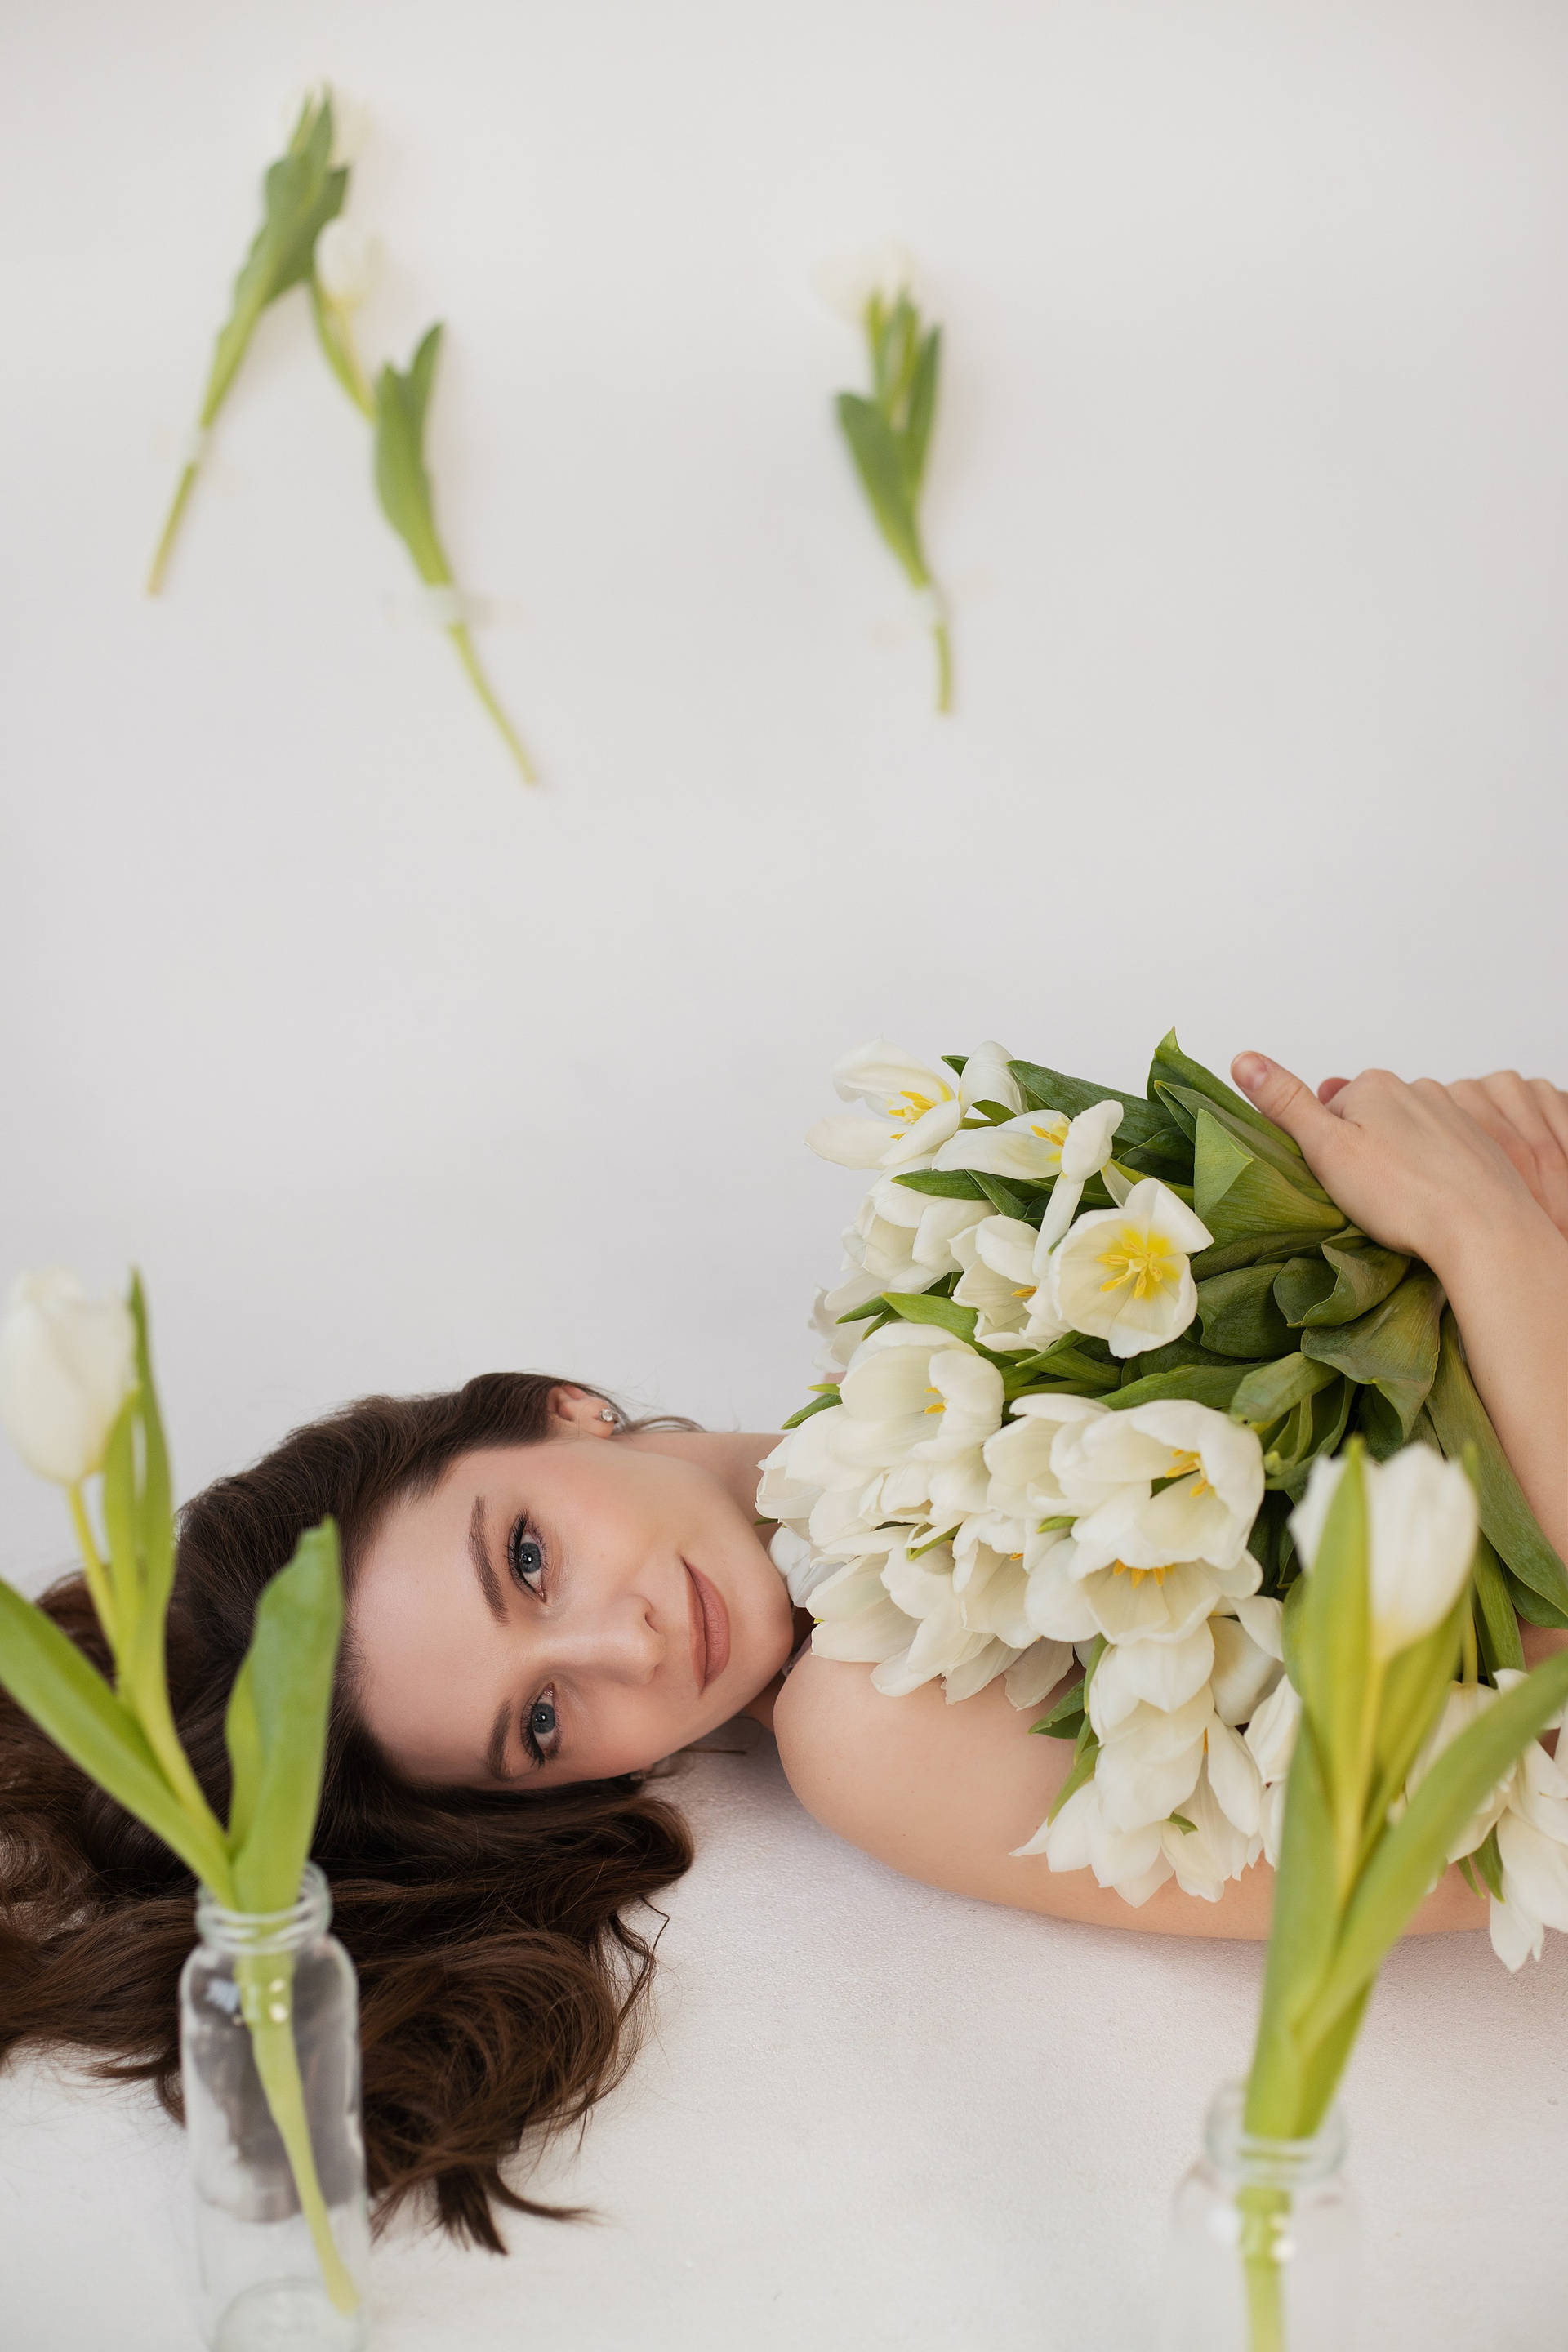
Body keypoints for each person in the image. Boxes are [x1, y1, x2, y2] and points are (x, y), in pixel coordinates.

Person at [2, 1059, 1566, 2251]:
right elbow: (1476, 1835)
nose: (621, 1645)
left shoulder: (949, 1287)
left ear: (559, 1408)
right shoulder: (872, 1723)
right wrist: (1494, 1250)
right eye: (542, 1722)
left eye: (527, 1559)